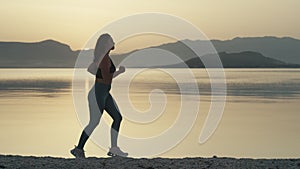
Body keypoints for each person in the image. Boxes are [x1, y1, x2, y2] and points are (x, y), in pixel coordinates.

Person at [71, 34, 128, 158]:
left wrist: (118, 72)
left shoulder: (106, 57)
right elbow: (91, 68)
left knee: (117, 118)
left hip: (104, 93)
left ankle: (114, 148)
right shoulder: (102, 57)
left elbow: (108, 77)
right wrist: (100, 75)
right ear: (105, 44)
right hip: (97, 93)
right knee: (94, 122)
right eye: (110, 40)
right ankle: (78, 149)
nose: (113, 41)